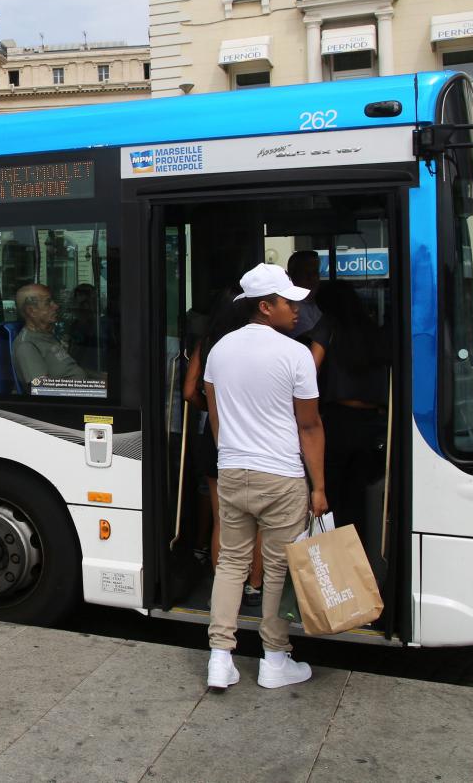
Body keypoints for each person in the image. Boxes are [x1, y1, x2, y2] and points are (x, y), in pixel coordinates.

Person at [203, 263, 327, 691]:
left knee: (232, 563)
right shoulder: (295, 354)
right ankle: (274, 659)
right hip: (282, 476)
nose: (297, 309)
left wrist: (233, 459)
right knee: (277, 568)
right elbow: (309, 426)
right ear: (265, 305)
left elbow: (216, 419)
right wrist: (320, 487)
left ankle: (220, 657)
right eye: (289, 302)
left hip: (234, 471)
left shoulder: (219, 350)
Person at [183, 290, 264, 606]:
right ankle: (254, 585)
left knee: (223, 519)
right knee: (258, 520)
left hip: (214, 435)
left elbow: (190, 391)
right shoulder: (257, 346)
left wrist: (212, 407)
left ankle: (223, 585)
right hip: (253, 436)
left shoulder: (209, 344)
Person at [309, 281, 389, 552]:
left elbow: (310, 368)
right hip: (372, 423)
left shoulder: (328, 326)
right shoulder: (372, 329)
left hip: (336, 421)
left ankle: (332, 565)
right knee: (358, 498)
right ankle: (357, 561)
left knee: (329, 497)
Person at [12, 283, 93, 385]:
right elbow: (42, 389)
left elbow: (69, 369)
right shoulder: (26, 346)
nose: (56, 306)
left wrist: (100, 378)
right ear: (31, 311)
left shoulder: (46, 336)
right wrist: (95, 387)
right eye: (48, 303)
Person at [286, 251, 323, 341]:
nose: (312, 279)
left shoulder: (316, 304)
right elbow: (313, 339)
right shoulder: (293, 307)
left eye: (315, 273)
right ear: (293, 276)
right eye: (306, 273)